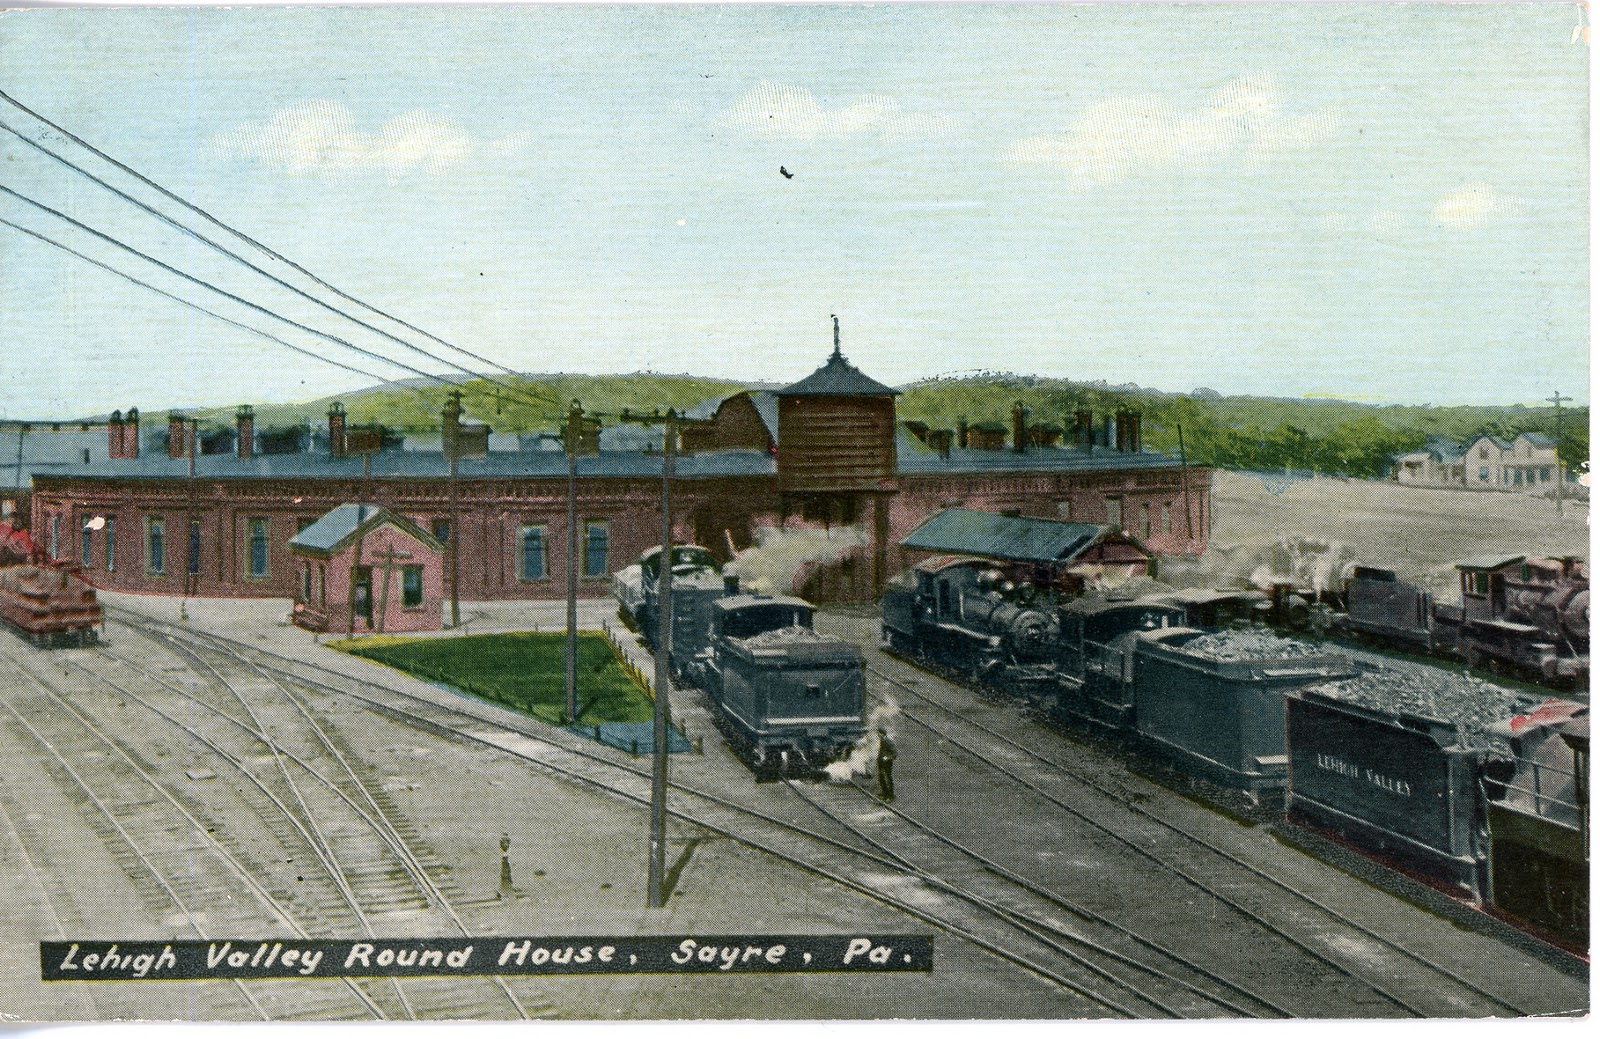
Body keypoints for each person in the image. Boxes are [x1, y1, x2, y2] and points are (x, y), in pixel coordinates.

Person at [876, 728, 896, 802]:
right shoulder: (882, 741)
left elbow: (894, 754)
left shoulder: (888, 742)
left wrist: (886, 758)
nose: (877, 735)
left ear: (882, 733)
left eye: (878, 733)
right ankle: (884, 793)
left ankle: (890, 796)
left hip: (887, 764)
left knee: (888, 779)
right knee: (881, 778)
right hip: (881, 764)